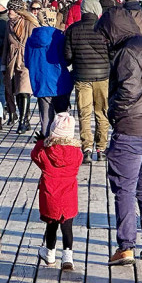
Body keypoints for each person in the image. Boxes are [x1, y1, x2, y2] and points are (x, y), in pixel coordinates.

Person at [97, 0, 142, 266]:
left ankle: (126, 246)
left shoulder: (127, 52)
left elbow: (128, 90)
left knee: (124, 188)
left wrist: (114, 112)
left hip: (131, 127)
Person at [31, 112, 84, 271]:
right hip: (69, 195)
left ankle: (50, 254)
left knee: (51, 226)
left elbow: (35, 155)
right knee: (67, 227)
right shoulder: (77, 153)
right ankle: (68, 257)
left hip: (50, 195)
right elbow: (79, 161)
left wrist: (41, 142)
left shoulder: (46, 152)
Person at [63, 0, 110, 158]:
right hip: (103, 76)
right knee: (102, 112)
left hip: (82, 76)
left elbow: (67, 55)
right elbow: (111, 53)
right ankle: (102, 148)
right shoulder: (105, 28)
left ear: (83, 10)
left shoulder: (72, 29)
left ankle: (87, 148)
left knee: (84, 113)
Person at [24, 8, 73, 138]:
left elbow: (27, 62)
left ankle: (46, 145)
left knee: (45, 119)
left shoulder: (31, 39)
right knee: (63, 118)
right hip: (60, 82)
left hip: (41, 82)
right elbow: (66, 60)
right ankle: (63, 145)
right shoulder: (59, 37)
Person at [4, 0, 38, 133]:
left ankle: (23, 121)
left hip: (26, 60)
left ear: (17, 10)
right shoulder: (8, 24)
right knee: (16, 90)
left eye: (11, 9)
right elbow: (6, 44)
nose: (8, 12)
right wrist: (3, 63)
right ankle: (26, 118)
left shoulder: (29, 23)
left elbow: (35, 42)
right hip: (12, 60)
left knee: (24, 90)